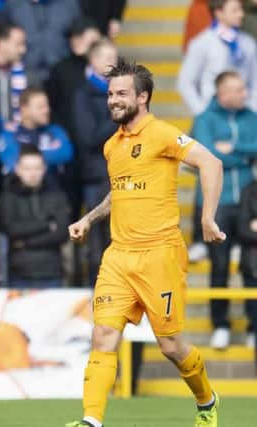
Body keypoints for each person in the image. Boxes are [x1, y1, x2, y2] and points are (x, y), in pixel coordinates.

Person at [66, 57, 225, 427]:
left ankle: (206, 400)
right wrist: (89, 219)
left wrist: (207, 217)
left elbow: (211, 163)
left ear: (143, 97)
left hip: (160, 255)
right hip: (119, 257)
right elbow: (118, 193)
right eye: (109, 94)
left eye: (121, 93)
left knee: (171, 346)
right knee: (103, 335)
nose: (112, 100)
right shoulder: (112, 146)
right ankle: (91, 421)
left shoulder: (163, 134)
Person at [191, 70, 257, 349]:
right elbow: (209, 155)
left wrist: (234, 147)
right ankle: (220, 323)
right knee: (218, 265)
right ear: (222, 93)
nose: (245, 93)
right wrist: (243, 155)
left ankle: (255, 325)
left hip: (247, 203)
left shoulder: (251, 117)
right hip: (214, 202)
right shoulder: (204, 119)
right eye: (239, 89)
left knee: (252, 266)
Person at [71, 38, 119, 287]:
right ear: (93, 60)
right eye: (107, 57)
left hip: (120, 174)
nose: (113, 62)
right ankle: (97, 289)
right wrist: (117, 115)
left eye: (115, 57)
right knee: (98, 237)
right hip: (96, 175)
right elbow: (87, 137)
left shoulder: (121, 94)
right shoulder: (83, 94)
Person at [0, 145, 69, 288]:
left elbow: (62, 233)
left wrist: (25, 243)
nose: (33, 173)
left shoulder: (57, 196)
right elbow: (11, 229)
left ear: (44, 169)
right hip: (19, 274)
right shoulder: (8, 197)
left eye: (37, 168)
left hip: (52, 273)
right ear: (18, 169)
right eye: (27, 168)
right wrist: (46, 225)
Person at [177, 0, 257, 115]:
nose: (241, 14)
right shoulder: (202, 43)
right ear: (219, 13)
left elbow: (254, 82)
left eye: (241, 10)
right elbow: (185, 82)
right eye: (234, 10)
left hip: (243, 116)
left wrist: (252, 111)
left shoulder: (248, 43)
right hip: (213, 115)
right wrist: (202, 112)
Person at [238, 176, 257, 349]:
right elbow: (243, 230)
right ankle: (252, 329)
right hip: (252, 264)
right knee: (253, 307)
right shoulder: (249, 191)